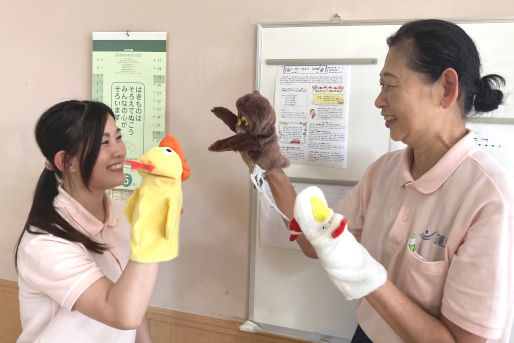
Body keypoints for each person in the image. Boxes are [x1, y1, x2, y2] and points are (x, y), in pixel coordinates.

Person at [247, 19, 514, 343]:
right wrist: (270, 162)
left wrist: (364, 274)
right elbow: (313, 243)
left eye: (390, 85)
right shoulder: (383, 172)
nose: (378, 100)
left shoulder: (490, 198)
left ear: (446, 88)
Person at [14, 100, 172, 342]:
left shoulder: (122, 216)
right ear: (66, 162)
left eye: (118, 137)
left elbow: (132, 301)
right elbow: (121, 313)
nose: (119, 150)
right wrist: (151, 227)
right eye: (104, 143)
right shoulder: (44, 244)